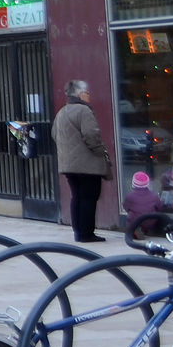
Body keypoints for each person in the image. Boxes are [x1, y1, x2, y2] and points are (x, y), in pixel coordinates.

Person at [53, 79, 111, 243]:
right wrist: (100, 151)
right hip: (87, 164)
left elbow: (54, 134)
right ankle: (87, 233)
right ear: (80, 94)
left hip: (68, 164)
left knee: (77, 197)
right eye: (87, 93)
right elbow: (91, 135)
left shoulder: (62, 112)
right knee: (89, 197)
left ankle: (79, 232)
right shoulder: (84, 111)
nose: (89, 96)